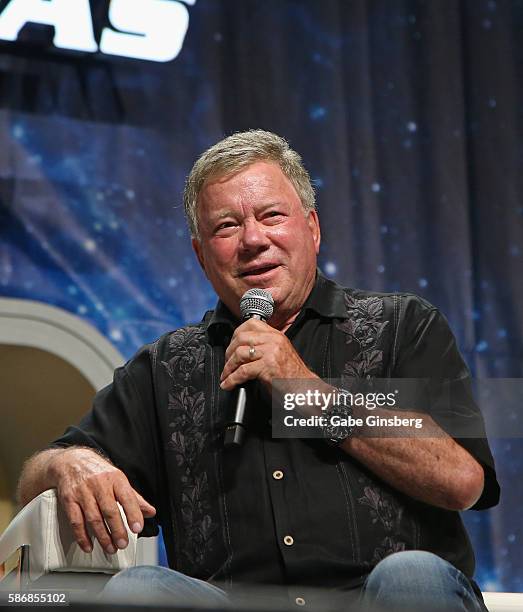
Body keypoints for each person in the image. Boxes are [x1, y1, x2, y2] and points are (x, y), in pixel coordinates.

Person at [17, 130, 499, 611]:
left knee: (410, 574)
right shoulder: (165, 368)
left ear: (311, 228)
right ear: (201, 255)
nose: (252, 239)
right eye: (226, 227)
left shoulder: (401, 325)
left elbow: (462, 481)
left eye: (271, 216)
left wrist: (302, 388)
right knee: (138, 587)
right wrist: (69, 464)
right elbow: (34, 477)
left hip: (383, 601)